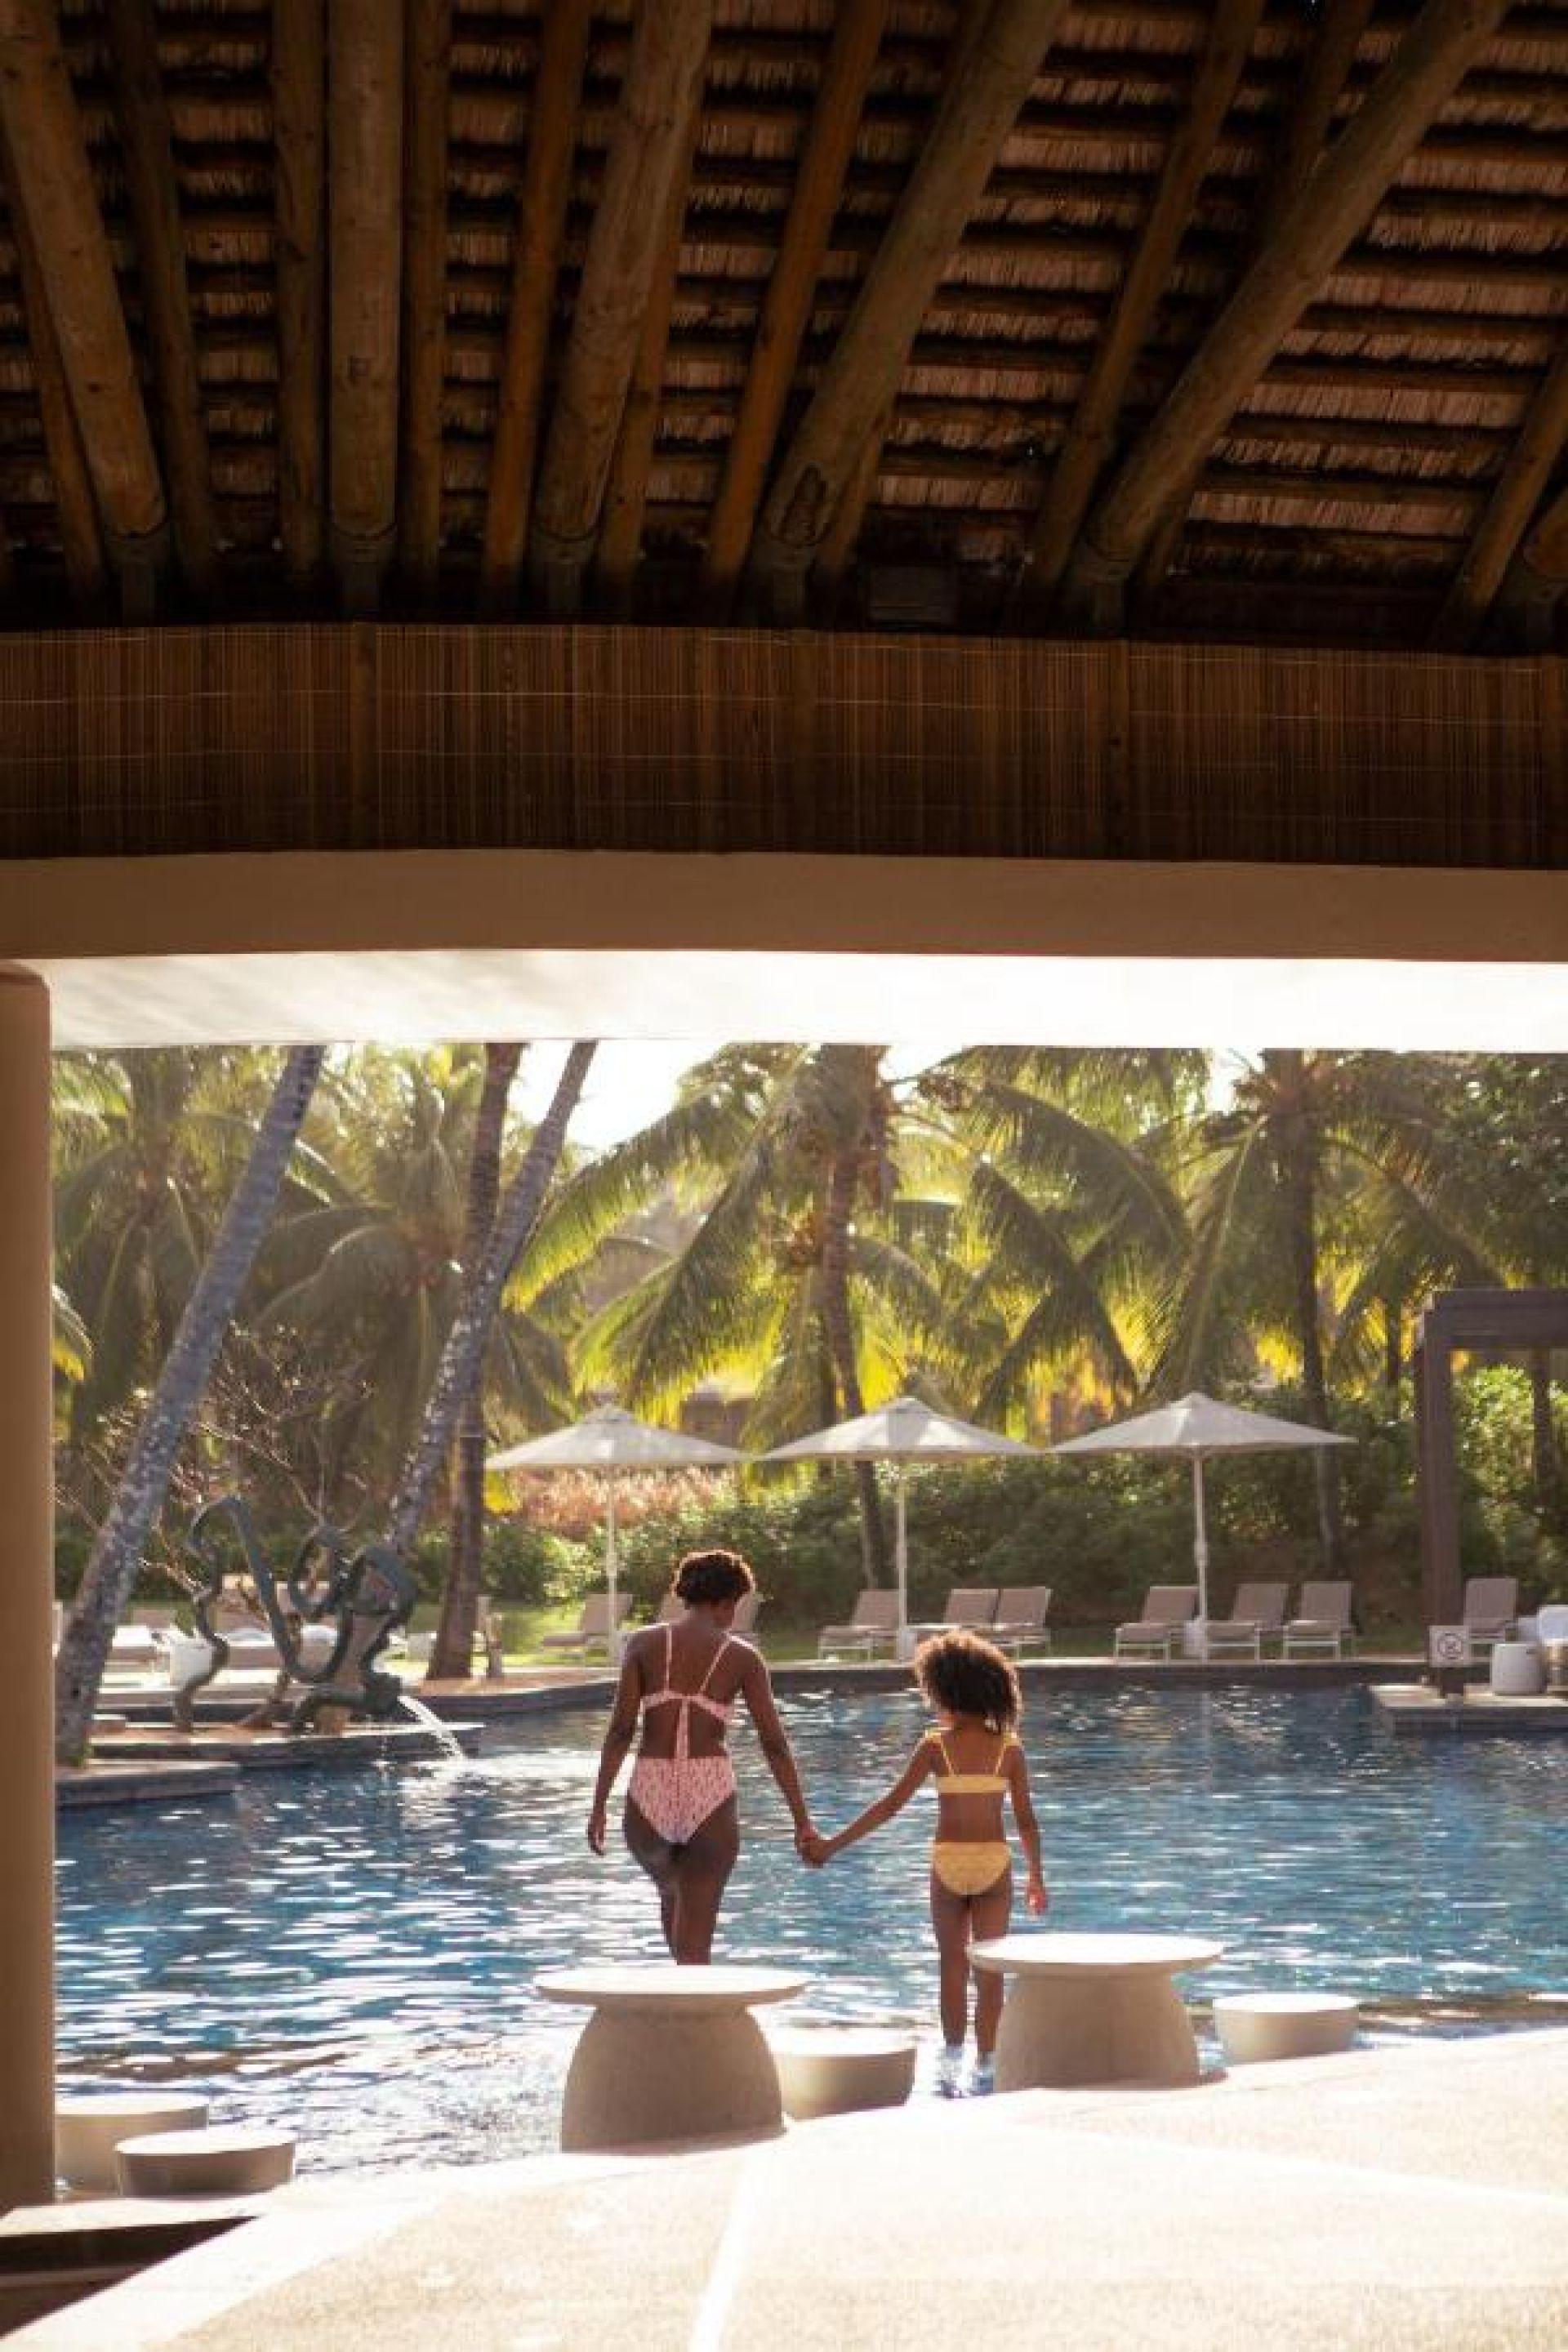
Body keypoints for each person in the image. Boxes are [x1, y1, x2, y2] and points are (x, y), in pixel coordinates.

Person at [804, 1628, 1047, 2096]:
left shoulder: (935, 1746)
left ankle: (951, 2060)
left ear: (946, 1691)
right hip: (994, 1865)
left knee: (951, 1966)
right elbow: (1026, 1821)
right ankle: (987, 2065)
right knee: (990, 1973)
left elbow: (889, 1807)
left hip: (948, 1864)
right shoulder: (1009, 1748)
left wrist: (832, 1845)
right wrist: (1036, 1874)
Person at [586, 1547, 817, 1962]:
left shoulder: (643, 1644)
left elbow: (621, 1730)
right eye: (737, 1605)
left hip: (650, 1784)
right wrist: (801, 1818)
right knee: (696, 1938)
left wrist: (599, 1805)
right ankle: (692, 1996)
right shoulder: (742, 1658)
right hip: (709, 1786)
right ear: (726, 1602)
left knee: (674, 1896)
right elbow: (774, 1743)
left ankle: (677, 1995)